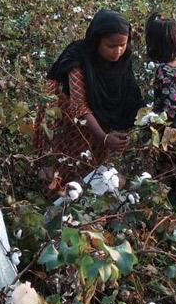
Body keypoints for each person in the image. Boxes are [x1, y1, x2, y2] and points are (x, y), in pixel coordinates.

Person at [34, 9, 143, 185]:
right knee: (62, 168)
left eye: (122, 45)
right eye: (111, 46)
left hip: (100, 124)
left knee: (92, 172)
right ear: (97, 40)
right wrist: (104, 137)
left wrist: (123, 130)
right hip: (68, 122)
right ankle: (56, 205)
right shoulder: (78, 56)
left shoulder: (124, 59)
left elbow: (130, 96)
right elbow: (78, 105)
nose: (118, 51)